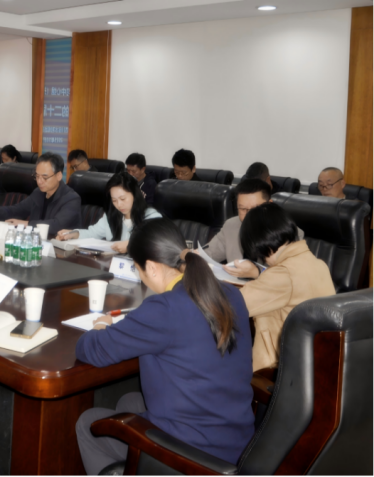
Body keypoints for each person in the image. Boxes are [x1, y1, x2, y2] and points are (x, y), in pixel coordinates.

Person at [75, 219, 254, 476]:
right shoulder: (231, 294)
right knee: (129, 400)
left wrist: (101, 326)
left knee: (87, 423)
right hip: (237, 440)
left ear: (151, 267)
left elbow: (91, 349)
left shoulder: (164, 309)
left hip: (192, 451)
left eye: (138, 269)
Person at [238, 202, 335, 371]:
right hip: (316, 362)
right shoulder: (318, 264)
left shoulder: (283, 274)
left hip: (278, 369)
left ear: (259, 242)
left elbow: (232, 305)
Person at [206, 179, 304, 276]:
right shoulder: (231, 225)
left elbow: (290, 276)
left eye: (255, 209)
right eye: (243, 209)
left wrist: (257, 273)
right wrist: (196, 257)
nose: (249, 215)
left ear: (269, 205)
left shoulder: (288, 232)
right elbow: (208, 254)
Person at [56, 172, 161, 253]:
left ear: (135, 195)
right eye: (114, 200)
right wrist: (73, 234)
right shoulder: (111, 216)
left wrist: (131, 245)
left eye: (123, 199)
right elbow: (92, 233)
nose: (119, 205)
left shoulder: (152, 217)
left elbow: (157, 244)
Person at [0, 152, 81, 236]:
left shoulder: (71, 199)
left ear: (58, 176)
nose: (39, 181)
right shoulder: (39, 193)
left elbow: (57, 225)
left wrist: (26, 224)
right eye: (37, 176)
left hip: (62, 248)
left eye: (45, 177)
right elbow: (17, 210)